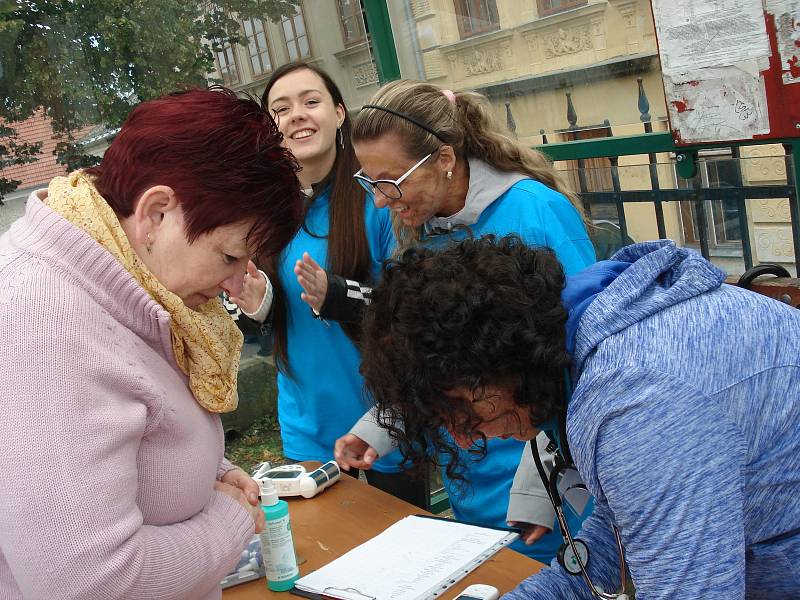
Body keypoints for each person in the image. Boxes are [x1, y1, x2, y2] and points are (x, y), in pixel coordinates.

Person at [357, 234, 800, 599]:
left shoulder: (636, 401)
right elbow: (616, 541)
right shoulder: (590, 338)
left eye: (461, 409)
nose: (467, 439)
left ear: (491, 360)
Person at [0, 88, 304, 599]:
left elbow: (133, 439)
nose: (236, 283)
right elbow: (84, 585)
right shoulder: (45, 322)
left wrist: (213, 469)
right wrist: (230, 521)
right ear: (157, 213)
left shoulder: (125, 280)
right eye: (230, 256)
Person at [297, 80, 595, 562]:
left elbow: (580, 368)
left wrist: (543, 488)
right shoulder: (424, 231)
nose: (379, 200)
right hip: (473, 481)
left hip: (546, 491)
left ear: (443, 157)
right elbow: (433, 364)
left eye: (390, 181)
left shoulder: (535, 212)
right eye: (369, 182)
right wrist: (380, 426)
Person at [229, 63, 427, 508]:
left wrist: (337, 296)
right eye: (281, 108)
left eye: (310, 101)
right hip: (304, 431)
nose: (296, 114)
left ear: (339, 114)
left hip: (381, 428)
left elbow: (413, 313)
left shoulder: (379, 198)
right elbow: (269, 323)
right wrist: (259, 306)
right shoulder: (264, 212)